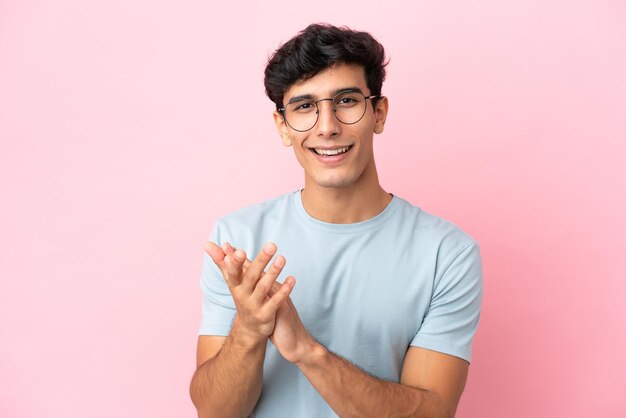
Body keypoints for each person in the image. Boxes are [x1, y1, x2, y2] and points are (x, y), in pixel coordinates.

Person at [189, 23, 483, 418]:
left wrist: (307, 352)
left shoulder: (447, 253)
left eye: (346, 100)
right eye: (305, 106)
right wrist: (248, 329)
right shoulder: (237, 240)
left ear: (378, 113)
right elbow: (214, 412)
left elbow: (431, 412)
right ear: (283, 127)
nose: (327, 127)